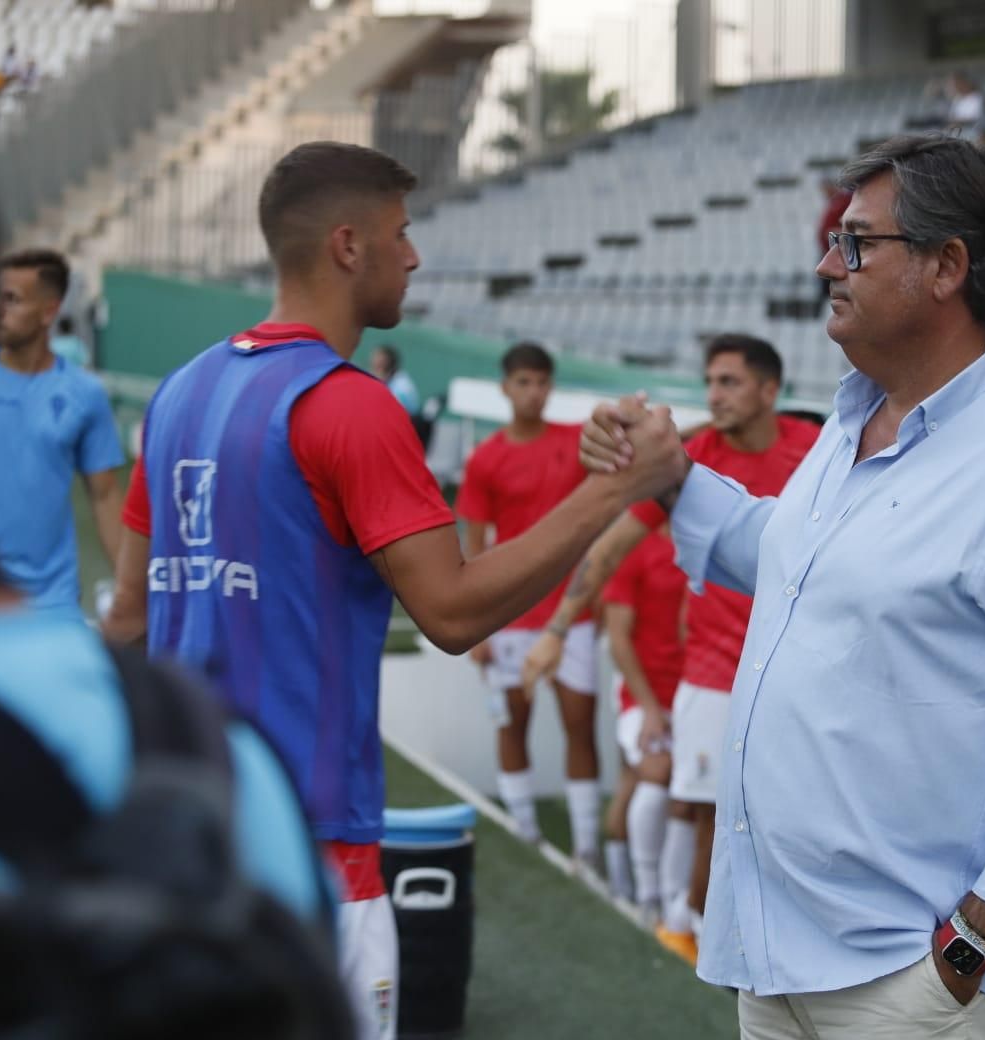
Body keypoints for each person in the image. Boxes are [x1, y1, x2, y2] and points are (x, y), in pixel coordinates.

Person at [100, 141, 686, 1040]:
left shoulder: (179, 391)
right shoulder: (348, 404)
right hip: (316, 858)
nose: (412, 257)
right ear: (347, 245)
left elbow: (130, 619)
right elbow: (449, 611)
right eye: (400, 235)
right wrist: (616, 488)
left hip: (193, 847)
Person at [583, 134, 985, 1040]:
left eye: (856, 242)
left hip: (911, 982)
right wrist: (670, 475)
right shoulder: (852, 421)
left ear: (946, 267)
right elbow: (786, 551)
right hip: (780, 956)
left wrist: (967, 952)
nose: (826, 264)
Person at [0, 134, 351, 1040]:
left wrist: (120, 617)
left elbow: (109, 500)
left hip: (49, 623)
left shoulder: (82, 397)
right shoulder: (206, 765)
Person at [521, 334, 819, 966]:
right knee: (706, 808)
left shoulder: (814, 449)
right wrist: (556, 629)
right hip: (713, 674)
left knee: (777, 817)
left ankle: (726, 932)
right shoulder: (693, 458)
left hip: (795, 673)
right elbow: (609, 548)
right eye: (710, 381)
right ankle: (689, 928)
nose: (714, 394)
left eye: (730, 382)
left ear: (770, 390)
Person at [453, 342, 607, 869]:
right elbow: (473, 545)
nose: (533, 392)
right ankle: (525, 833)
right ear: (505, 387)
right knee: (512, 726)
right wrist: (477, 628)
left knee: (580, 728)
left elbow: (602, 523)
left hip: (571, 615)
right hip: (511, 617)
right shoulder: (486, 458)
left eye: (542, 382)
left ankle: (586, 849)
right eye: (523, 382)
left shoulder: (576, 443)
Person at [0, 249, 123, 616]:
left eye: (12, 300)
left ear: (49, 311)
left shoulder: (86, 394)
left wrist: (131, 594)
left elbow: (104, 496)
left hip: (54, 605)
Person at [600, 522, 686, 920]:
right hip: (644, 698)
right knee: (655, 773)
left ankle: (621, 880)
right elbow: (617, 637)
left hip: (694, 694)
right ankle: (650, 899)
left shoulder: (705, 543)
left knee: (639, 783)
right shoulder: (635, 548)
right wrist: (649, 707)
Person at [368, 344, 418, 417]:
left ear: (385, 362)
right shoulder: (393, 380)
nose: (373, 361)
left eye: (379, 361)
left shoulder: (401, 387)